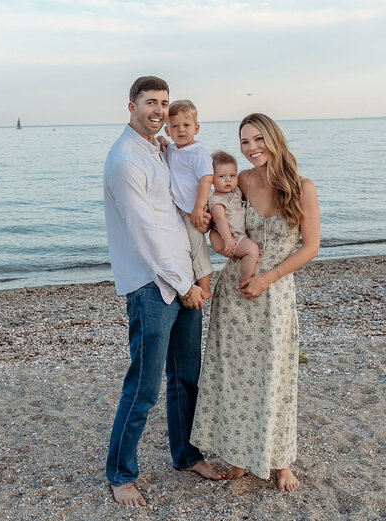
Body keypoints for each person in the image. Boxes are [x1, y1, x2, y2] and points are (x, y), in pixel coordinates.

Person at [103, 76, 224, 507]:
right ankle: (120, 474)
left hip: (183, 277)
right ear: (131, 106)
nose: (158, 109)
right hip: (153, 286)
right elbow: (143, 235)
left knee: (186, 378)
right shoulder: (124, 160)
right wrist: (185, 284)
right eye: (151, 102)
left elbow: (177, 210)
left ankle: (185, 454)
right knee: (144, 386)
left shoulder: (160, 148)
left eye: (164, 103)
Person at [190, 113, 320, 492]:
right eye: (244, 142)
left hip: (274, 292)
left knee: (275, 376)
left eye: (258, 139)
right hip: (235, 291)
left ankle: (280, 462)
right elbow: (214, 209)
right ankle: (239, 455)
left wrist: (267, 277)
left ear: (274, 138)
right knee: (233, 376)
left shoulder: (302, 187)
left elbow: (311, 247)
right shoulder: (241, 181)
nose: (251, 148)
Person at [159, 99, 214, 299]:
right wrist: (163, 142)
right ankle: (184, 281)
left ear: (196, 128)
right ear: (168, 131)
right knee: (181, 247)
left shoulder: (198, 153)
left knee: (197, 248)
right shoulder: (173, 149)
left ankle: (205, 287)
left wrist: (199, 208)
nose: (181, 130)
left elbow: (206, 180)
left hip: (192, 210)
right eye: (175, 126)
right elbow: (164, 148)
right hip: (176, 209)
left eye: (186, 125)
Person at [209, 150, 259, 283]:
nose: (228, 180)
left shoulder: (235, 191)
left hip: (239, 235)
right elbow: (220, 220)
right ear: (211, 179)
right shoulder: (216, 201)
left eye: (232, 175)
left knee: (252, 251)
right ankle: (245, 278)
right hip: (233, 237)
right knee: (252, 251)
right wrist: (228, 239)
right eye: (222, 177)